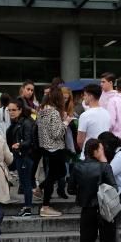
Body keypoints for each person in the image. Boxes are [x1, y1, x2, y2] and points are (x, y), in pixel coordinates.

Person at [68, 139, 117, 242]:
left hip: (87, 210)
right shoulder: (105, 167)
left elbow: (71, 189)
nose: (103, 151)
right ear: (96, 151)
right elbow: (113, 189)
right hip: (105, 210)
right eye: (101, 149)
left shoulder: (77, 166)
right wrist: (104, 163)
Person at [36, 86, 68, 217]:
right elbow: (56, 134)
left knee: (56, 174)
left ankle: (40, 189)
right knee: (56, 175)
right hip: (55, 148)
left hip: (46, 147)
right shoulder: (54, 112)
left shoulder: (41, 111)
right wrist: (66, 122)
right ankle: (45, 206)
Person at [6, 98, 36, 217]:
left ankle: (28, 207)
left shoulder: (26, 122)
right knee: (24, 182)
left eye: (14, 110)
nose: (11, 112)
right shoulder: (17, 122)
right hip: (19, 155)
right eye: (9, 110)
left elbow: (29, 140)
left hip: (25, 156)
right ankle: (26, 207)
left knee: (26, 182)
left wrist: (19, 144)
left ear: (20, 110)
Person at [76, 84, 111, 159]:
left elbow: (80, 140)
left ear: (90, 96)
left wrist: (85, 149)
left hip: (88, 155)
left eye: (85, 95)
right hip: (103, 154)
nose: (83, 97)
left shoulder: (85, 115)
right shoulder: (107, 113)